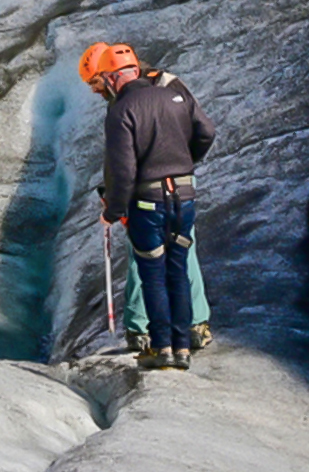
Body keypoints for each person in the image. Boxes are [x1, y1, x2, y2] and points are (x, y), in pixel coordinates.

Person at [77, 44, 216, 353]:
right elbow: (204, 128)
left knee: (145, 254)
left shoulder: (123, 102)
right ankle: (194, 326)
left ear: (108, 74)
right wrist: (183, 163)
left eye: (95, 83)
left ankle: (143, 329)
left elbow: (121, 161)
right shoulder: (168, 84)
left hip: (145, 189)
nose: (95, 91)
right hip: (179, 185)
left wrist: (115, 202)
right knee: (182, 250)